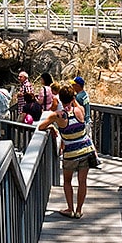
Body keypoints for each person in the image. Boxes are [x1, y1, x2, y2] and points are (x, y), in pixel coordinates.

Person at [38, 84, 96, 219]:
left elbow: (41, 126)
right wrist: (73, 99)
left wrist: (52, 127)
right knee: (82, 181)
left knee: (67, 181)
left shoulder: (57, 115)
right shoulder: (80, 110)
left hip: (70, 153)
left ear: (59, 98)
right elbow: (75, 106)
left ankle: (70, 208)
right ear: (73, 98)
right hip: (86, 150)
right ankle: (79, 210)